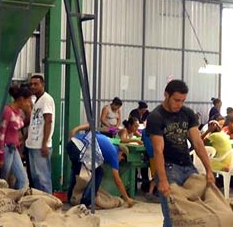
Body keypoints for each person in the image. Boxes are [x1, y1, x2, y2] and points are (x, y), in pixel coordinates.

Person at [146, 80, 214, 227]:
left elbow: (197, 143)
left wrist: (209, 170)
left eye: (183, 101)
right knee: (173, 215)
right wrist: (163, 180)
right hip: (169, 169)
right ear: (166, 95)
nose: (179, 104)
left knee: (195, 213)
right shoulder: (156, 117)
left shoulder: (187, 113)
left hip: (188, 167)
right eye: (176, 100)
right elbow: (158, 150)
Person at [66, 124, 135, 208]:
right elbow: (118, 180)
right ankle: (85, 202)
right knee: (98, 173)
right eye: (121, 159)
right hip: (81, 148)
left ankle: (70, 198)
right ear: (122, 154)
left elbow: (90, 126)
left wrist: (75, 129)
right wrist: (127, 198)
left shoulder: (106, 141)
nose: (119, 161)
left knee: (76, 171)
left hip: (72, 144)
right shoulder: (114, 153)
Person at [26, 74, 55, 193]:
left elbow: (48, 120)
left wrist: (44, 144)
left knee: (43, 178)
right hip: (32, 144)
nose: (33, 86)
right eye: (31, 84)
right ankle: (39, 202)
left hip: (40, 146)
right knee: (36, 178)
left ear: (43, 85)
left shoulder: (46, 99)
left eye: (36, 84)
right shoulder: (36, 101)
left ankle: (48, 204)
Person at [0, 84, 30, 189]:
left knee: (22, 178)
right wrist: (0, 156)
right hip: (6, 148)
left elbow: (19, 128)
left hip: (13, 148)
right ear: (20, 99)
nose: (28, 103)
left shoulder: (19, 112)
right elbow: (1, 134)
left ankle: (16, 198)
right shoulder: (8, 111)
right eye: (27, 100)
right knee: (3, 178)